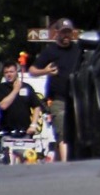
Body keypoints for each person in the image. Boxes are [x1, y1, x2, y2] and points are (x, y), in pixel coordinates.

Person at [29, 19, 81, 161]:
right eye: (63, 32)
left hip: (77, 99)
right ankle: (66, 165)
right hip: (58, 100)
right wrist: (45, 71)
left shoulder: (77, 50)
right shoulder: (50, 51)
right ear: (57, 33)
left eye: (68, 32)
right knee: (63, 134)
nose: (66, 35)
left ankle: (59, 163)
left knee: (76, 133)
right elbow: (32, 70)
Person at [0, 60, 43, 136]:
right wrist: (16, 89)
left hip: (25, 131)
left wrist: (33, 125)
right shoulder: (1, 88)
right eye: (6, 72)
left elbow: (36, 106)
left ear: (16, 72)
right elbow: (3, 106)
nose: (9, 74)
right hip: (7, 131)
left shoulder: (27, 87)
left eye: (11, 72)